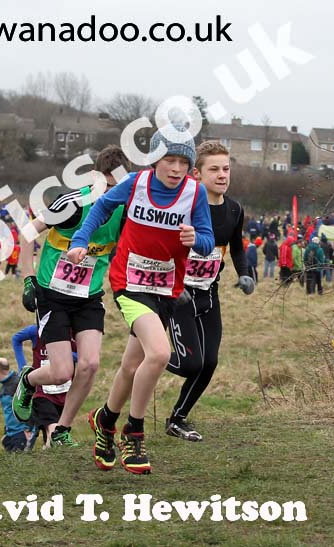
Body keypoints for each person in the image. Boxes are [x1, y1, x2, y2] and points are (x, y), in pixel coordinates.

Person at [68, 127, 214, 474]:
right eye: (168, 160)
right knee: (160, 353)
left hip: (166, 288)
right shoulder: (135, 184)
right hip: (129, 281)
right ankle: (133, 433)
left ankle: (105, 420)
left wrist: (197, 238)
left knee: (132, 366)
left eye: (182, 162)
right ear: (154, 160)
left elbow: (208, 240)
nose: (176, 168)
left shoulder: (195, 194)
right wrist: (79, 239)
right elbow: (101, 208)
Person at [12, 144, 130, 448]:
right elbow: (27, 234)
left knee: (90, 364)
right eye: (108, 186)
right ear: (94, 179)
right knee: (62, 371)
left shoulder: (123, 211)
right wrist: (28, 280)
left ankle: (63, 429)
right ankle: (28, 380)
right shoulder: (73, 204)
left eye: (120, 188)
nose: (112, 195)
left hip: (88, 296)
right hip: (53, 295)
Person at [163, 141, 254, 442]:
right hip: (178, 293)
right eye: (213, 169)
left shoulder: (234, 209)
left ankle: (178, 418)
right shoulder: (184, 208)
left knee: (209, 362)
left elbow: (238, 249)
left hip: (209, 293)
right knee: (191, 363)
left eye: (226, 168)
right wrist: (173, 286)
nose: (222, 174)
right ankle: (151, 357)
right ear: (197, 175)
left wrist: (245, 274)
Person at [11, 324, 77, 449]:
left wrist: (64, 357)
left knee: (55, 431)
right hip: (41, 392)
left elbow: (83, 356)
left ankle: (49, 453)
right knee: (52, 425)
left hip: (65, 392)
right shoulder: (35, 331)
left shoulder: (71, 332)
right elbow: (16, 339)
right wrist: (22, 367)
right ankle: (57, 449)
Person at [0, 358, 31, 452]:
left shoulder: (17, 383)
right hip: (11, 434)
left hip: (21, 434)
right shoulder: (4, 386)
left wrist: (28, 429)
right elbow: (8, 411)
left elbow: (29, 406)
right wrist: (6, 432)